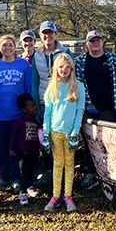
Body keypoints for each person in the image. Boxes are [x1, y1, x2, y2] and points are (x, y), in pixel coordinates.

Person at [75, 30, 116, 190]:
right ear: (87, 44)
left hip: (109, 108)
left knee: (111, 143)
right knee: (90, 143)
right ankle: (92, 174)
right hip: (90, 110)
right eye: (92, 41)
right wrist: (88, 104)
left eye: (98, 40)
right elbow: (80, 85)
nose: (95, 43)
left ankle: (111, 174)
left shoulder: (112, 58)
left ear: (102, 42)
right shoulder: (81, 61)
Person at [31, 21, 73, 188]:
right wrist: (36, 106)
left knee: (61, 138)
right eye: (44, 33)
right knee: (45, 139)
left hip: (61, 104)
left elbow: (72, 78)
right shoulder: (37, 55)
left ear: (55, 34)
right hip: (43, 103)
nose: (47, 36)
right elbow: (35, 82)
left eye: (50, 33)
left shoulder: (65, 52)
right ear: (40, 36)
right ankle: (49, 170)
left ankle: (63, 172)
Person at [0, 34, 32, 193]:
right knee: (1, 146)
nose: (7, 48)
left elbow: (28, 88)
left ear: (15, 47)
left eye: (10, 45)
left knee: (15, 146)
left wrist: (27, 112)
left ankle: (15, 178)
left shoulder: (23, 64)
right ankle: (4, 177)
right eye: (4, 45)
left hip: (17, 114)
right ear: (0, 48)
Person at [43, 53, 85, 212]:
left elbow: (80, 110)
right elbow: (47, 113)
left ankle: (68, 196)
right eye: (61, 67)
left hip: (70, 135)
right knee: (57, 164)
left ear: (72, 68)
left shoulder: (78, 86)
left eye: (68, 67)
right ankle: (55, 196)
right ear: (56, 68)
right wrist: (46, 134)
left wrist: (75, 132)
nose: (64, 70)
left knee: (69, 164)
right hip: (55, 132)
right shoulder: (52, 87)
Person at [9, 93, 41, 205]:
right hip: (23, 152)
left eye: (35, 105)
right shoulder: (20, 121)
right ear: (23, 110)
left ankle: (30, 187)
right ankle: (22, 192)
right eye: (31, 107)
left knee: (32, 170)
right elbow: (14, 135)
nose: (35, 108)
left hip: (34, 151)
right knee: (24, 172)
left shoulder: (36, 121)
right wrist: (11, 148)